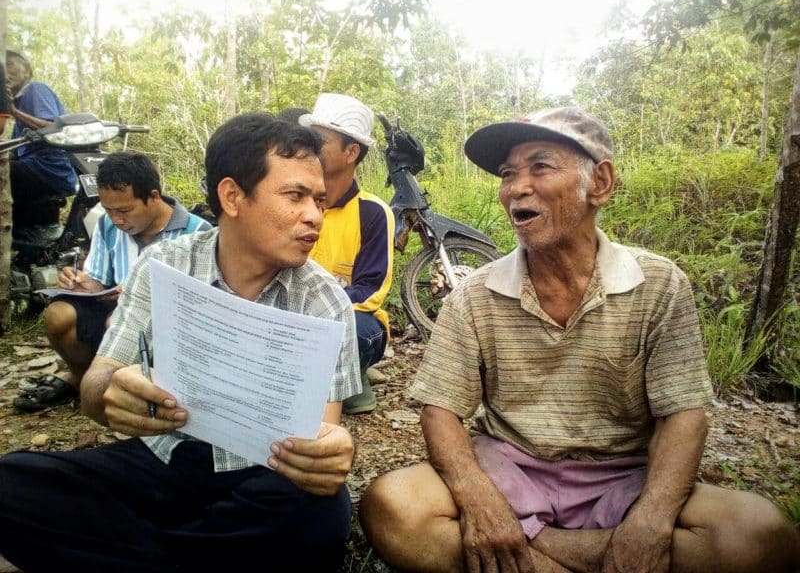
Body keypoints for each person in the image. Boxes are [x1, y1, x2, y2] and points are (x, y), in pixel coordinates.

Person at [359, 107, 800, 572]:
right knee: (394, 506)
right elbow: (441, 410)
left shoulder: (658, 283)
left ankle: (532, 559)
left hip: (625, 478)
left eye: (541, 166)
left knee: (761, 535)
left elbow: (683, 415)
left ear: (601, 184)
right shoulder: (475, 294)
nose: (516, 188)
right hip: (512, 471)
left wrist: (651, 521)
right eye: (509, 174)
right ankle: (585, 556)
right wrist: (478, 498)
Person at [0, 113, 361, 572]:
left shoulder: (325, 300)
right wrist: (114, 390)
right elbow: (96, 387)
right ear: (232, 196)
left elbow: (317, 440)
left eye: (319, 200)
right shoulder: (165, 265)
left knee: (320, 513)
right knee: (12, 482)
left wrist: (328, 453)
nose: (314, 215)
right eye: (295, 196)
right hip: (161, 459)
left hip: (261, 475)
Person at [13, 151, 212, 412]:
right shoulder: (107, 225)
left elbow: (202, 302)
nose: (117, 219)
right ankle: (83, 378)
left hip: (167, 325)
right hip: (112, 308)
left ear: (153, 197)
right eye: (109, 210)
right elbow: (99, 280)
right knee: (58, 314)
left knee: (115, 321)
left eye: (125, 210)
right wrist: (83, 284)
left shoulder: (197, 232)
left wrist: (141, 296)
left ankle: (139, 391)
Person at [298, 93, 394, 415]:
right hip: (294, 315)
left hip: (353, 319)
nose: (310, 148)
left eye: (319, 141)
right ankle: (341, 381)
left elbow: (371, 290)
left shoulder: (372, 213)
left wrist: (314, 309)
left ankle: (350, 381)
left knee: (348, 330)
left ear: (352, 151)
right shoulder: (296, 203)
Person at [5, 50, 77, 231]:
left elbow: (51, 127)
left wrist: (12, 110)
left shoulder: (34, 89)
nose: (5, 71)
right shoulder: (20, 103)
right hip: (35, 167)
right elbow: (16, 150)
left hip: (49, 168)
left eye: (10, 65)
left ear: (27, 70)